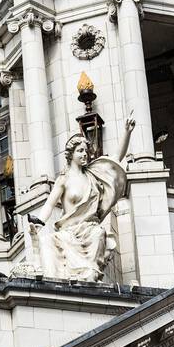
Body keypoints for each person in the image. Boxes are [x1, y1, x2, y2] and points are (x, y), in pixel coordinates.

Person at [29, 116, 135, 282]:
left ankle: (90, 277)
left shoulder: (93, 175)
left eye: (86, 151)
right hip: (69, 232)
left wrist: (127, 132)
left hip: (90, 229)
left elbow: (116, 158)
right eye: (80, 151)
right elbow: (49, 204)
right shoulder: (63, 179)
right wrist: (39, 222)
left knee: (98, 233)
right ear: (71, 154)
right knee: (50, 242)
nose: (84, 154)